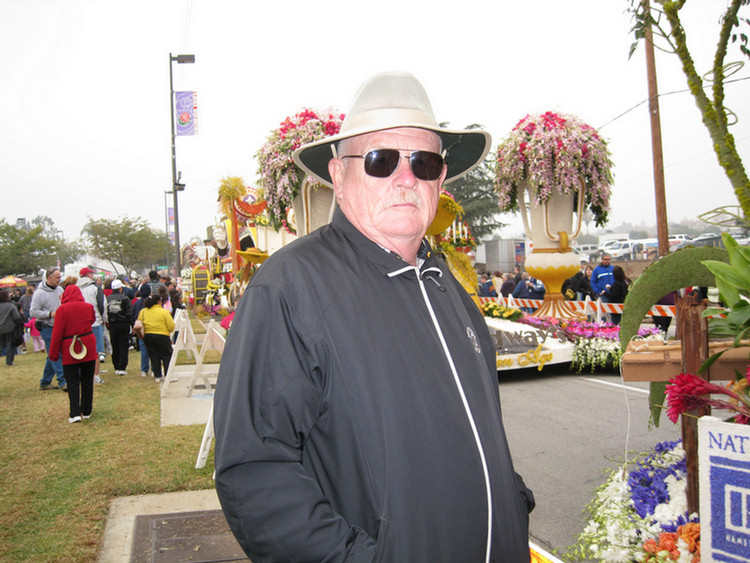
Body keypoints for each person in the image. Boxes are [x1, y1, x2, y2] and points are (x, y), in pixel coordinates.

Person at [214, 71, 534, 563]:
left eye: (423, 162)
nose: (406, 178)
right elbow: (255, 472)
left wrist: (512, 501)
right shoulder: (291, 289)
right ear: (339, 176)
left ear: (441, 179)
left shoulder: (446, 287)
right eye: (382, 160)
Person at [48, 285, 97, 423]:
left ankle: (75, 412)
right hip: (88, 344)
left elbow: (57, 333)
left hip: (70, 346)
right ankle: (87, 410)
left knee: (72, 380)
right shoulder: (88, 307)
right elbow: (92, 320)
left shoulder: (62, 310)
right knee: (87, 380)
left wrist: (53, 353)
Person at [29, 267, 66, 391]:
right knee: (56, 353)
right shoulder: (39, 293)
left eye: (59, 277)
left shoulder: (60, 289)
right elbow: (33, 312)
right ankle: (63, 381)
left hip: (58, 326)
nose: (59, 280)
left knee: (52, 354)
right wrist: (49, 314)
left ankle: (45, 382)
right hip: (46, 327)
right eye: (57, 278)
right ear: (49, 278)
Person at [77, 267, 107, 383]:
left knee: (82, 350)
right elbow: (102, 305)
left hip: (80, 323)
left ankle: (83, 375)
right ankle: (95, 376)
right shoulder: (95, 288)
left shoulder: (76, 288)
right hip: (95, 321)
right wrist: (104, 318)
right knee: (96, 351)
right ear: (88, 275)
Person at [137, 291, 175, 382]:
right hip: (162, 335)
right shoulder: (164, 312)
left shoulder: (143, 311)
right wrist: (168, 331)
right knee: (166, 355)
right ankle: (168, 375)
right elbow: (171, 326)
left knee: (154, 355)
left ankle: (157, 375)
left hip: (148, 336)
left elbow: (139, 322)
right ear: (158, 302)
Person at [106, 279, 133, 375]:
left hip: (112, 324)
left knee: (115, 345)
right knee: (123, 345)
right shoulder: (125, 298)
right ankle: (122, 367)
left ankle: (116, 366)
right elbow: (129, 312)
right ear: (120, 288)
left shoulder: (108, 298)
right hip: (123, 323)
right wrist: (132, 323)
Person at [132, 285, 151, 377]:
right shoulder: (151, 302)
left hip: (140, 328)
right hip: (150, 328)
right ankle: (154, 369)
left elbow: (134, 315)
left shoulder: (137, 303)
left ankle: (144, 369)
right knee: (152, 350)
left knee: (143, 350)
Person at [0, 290, 23, 366]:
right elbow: (17, 317)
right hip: (9, 328)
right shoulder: (11, 306)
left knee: (1, 345)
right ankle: (9, 361)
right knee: (10, 345)